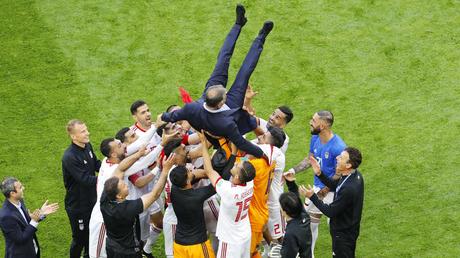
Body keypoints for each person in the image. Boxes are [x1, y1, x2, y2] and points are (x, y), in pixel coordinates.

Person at [161, 4, 274, 158]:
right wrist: (262, 154)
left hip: (214, 110)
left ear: (207, 95)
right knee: (245, 71)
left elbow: (171, 116)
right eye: (224, 94)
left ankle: (238, 24)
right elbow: (241, 143)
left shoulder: (192, 108)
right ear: (221, 102)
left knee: (223, 59)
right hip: (231, 108)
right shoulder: (226, 123)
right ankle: (261, 36)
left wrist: (162, 118)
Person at [285, 110, 346, 258]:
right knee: (310, 225)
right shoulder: (315, 137)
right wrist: (293, 170)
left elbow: (340, 173)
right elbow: (311, 159)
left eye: (313, 120)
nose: (310, 122)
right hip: (318, 188)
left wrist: (323, 191)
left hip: (333, 193)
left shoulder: (338, 147)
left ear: (323, 125)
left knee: (335, 228)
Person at [100, 154, 173, 258]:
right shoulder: (127, 209)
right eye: (123, 186)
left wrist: (139, 153)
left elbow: (120, 169)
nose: (126, 185)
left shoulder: (104, 200)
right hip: (129, 252)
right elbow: (154, 195)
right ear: (119, 196)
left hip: (112, 246)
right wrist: (165, 171)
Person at [199, 132, 256, 258]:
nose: (235, 163)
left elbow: (209, 171)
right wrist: (235, 151)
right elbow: (246, 161)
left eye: (236, 165)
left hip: (230, 240)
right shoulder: (249, 182)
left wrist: (204, 144)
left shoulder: (228, 190)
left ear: (236, 177)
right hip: (244, 235)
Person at [301, 147, 364, 258]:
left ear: (348, 165)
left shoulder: (349, 188)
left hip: (343, 235)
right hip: (348, 230)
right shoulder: (353, 175)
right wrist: (319, 173)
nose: (337, 158)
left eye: (341, 157)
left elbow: (331, 211)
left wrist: (312, 196)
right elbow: (335, 186)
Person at [62, 119, 101, 258]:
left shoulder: (87, 145)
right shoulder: (69, 157)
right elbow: (85, 179)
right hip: (78, 206)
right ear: (73, 136)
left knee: (92, 234)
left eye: (86, 129)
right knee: (80, 239)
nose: (87, 133)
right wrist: (107, 177)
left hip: (91, 200)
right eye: (83, 131)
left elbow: (96, 164)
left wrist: (109, 166)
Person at [0, 177, 59, 258]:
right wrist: (34, 221)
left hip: (32, 249)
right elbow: (20, 239)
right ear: (12, 193)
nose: (23, 188)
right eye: (20, 187)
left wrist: (41, 213)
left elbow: (25, 222)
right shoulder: (6, 217)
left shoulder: (19, 201)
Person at [268, 172, 312, 258]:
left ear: (284, 211)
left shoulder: (291, 233)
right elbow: (296, 199)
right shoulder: (304, 216)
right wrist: (291, 183)